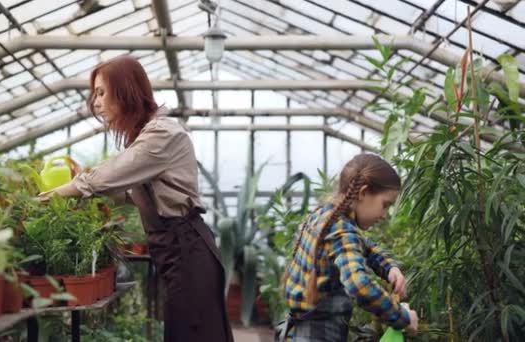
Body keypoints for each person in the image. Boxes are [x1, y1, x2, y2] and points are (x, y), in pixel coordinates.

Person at [39, 56, 234, 342]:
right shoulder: (149, 134)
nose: (96, 102)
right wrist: (86, 187)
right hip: (179, 252)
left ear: (126, 91)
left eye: (102, 93)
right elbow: (133, 193)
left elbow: (112, 174)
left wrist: (55, 194)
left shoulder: (161, 134)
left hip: (187, 251)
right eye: (94, 94)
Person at [280, 154, 418, 341]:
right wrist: (402, 318)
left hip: (298, 333)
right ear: (363, 193)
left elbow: (364, 245)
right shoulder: (342, 230)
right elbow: (359, 284)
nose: (385, 214)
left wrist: (389, 267)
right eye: (385, 205)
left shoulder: (326, 215)